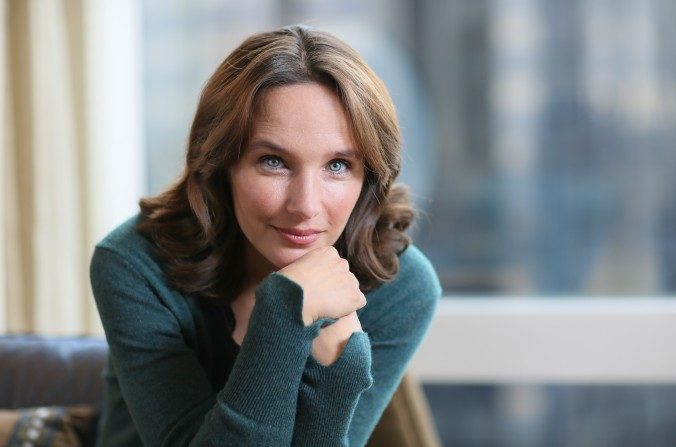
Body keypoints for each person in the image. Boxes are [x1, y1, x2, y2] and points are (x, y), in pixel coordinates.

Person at [90, 25, 441, 446]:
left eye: (337, 166)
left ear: (368, 177)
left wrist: (336, 374)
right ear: (222, 165)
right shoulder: (134, 265)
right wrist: (282, 314)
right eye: (273, 161)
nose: (306, 206)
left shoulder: (401, 285)